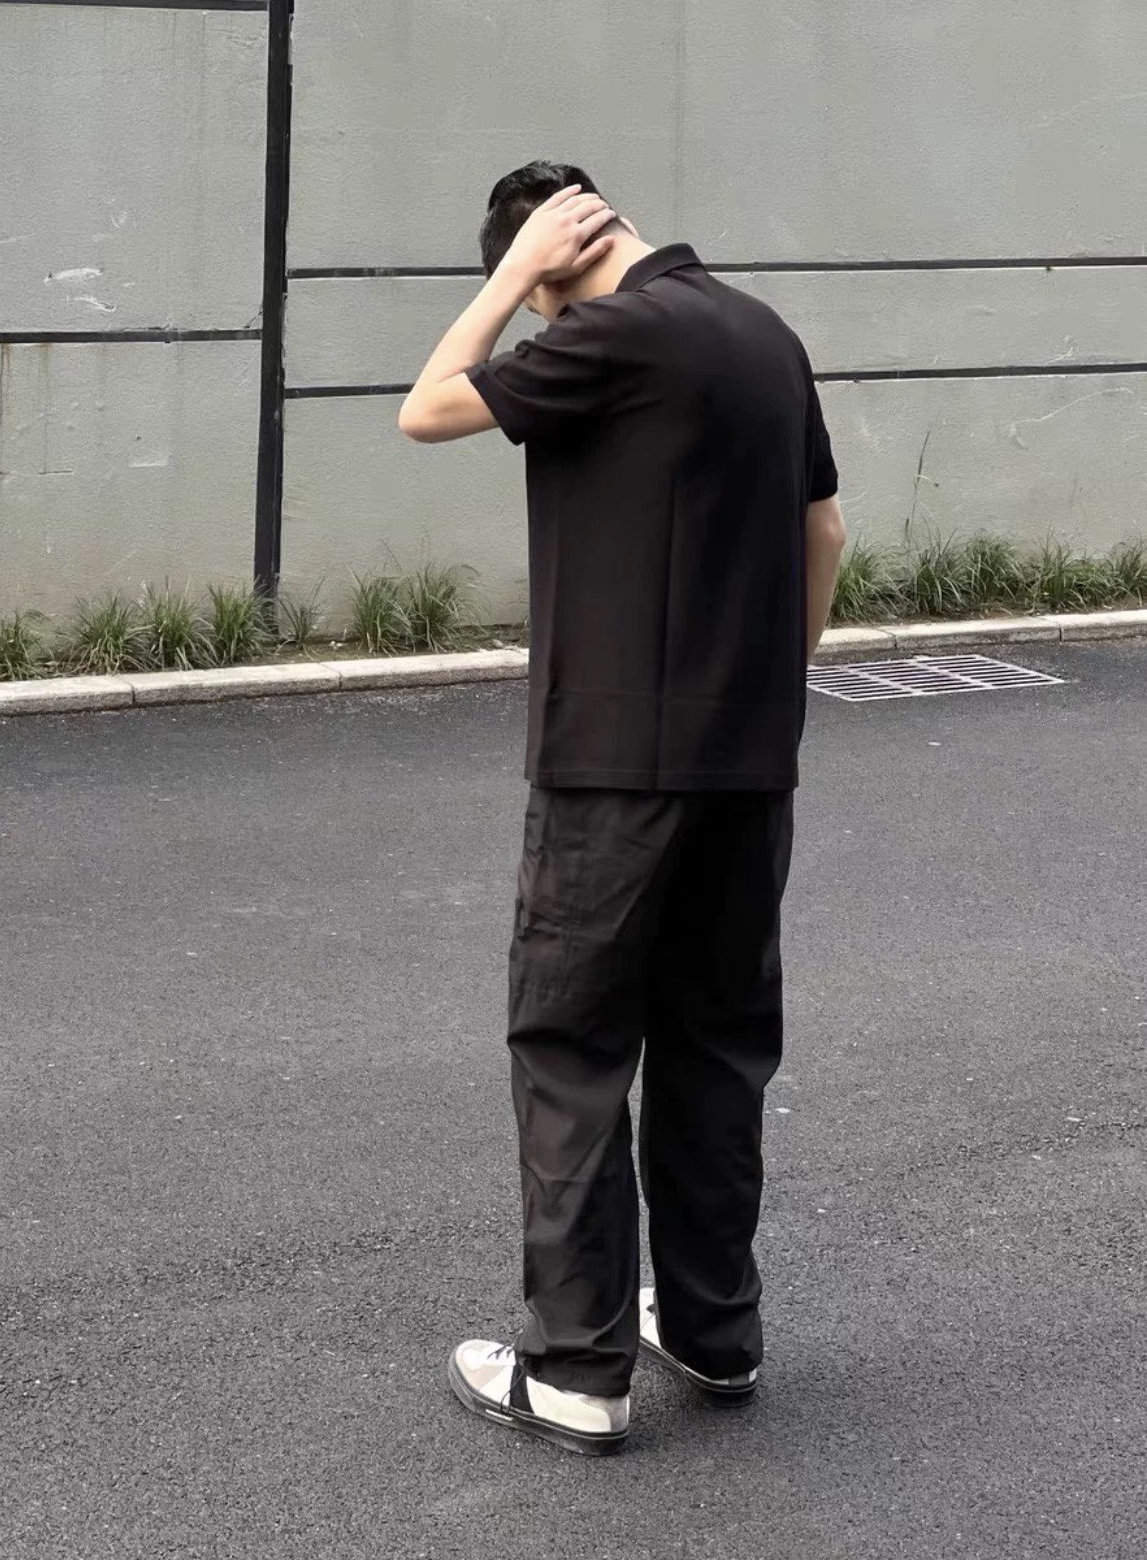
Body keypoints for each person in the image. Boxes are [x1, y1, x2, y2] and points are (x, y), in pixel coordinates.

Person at [399, 161, 846, 1457]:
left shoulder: (609, 331)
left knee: (573, 1052)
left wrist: (508, 278)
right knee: (716, 1049)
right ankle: (713, 1330)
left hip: (610, 769)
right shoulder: (763, 334)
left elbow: (426, 408)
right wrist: (767, 690)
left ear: (552, 259)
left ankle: (576, 1371)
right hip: (748, 762)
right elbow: (824, 533)